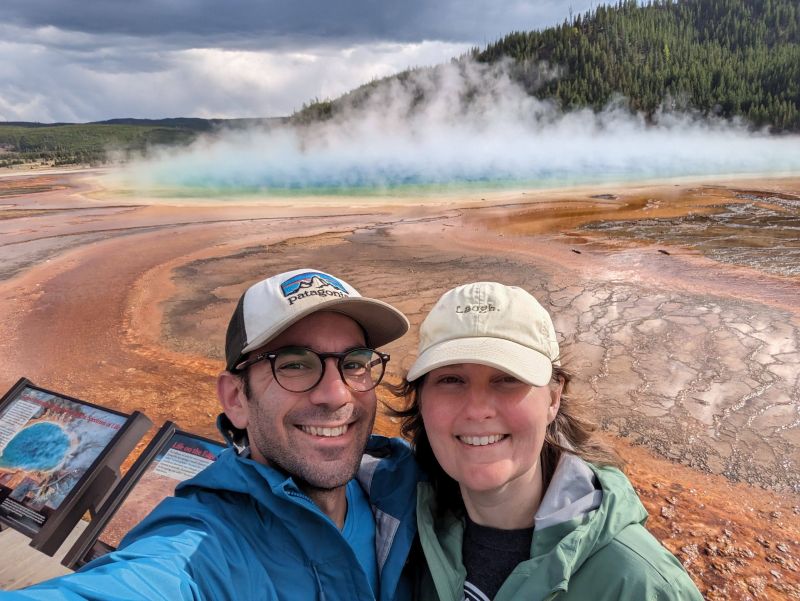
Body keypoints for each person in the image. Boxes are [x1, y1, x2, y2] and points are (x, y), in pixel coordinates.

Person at [2, 268, 419, 601]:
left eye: (355, 363)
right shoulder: (203, 546)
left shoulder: (407, 490)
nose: (335, 393)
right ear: (236, 398)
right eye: (294, 364)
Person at [393, 281, 703, 601]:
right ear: (420, 399)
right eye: (451, 379)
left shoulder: (642, 585)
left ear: (554, 398)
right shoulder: (403, 531)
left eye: (507, 379)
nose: (477, 409)